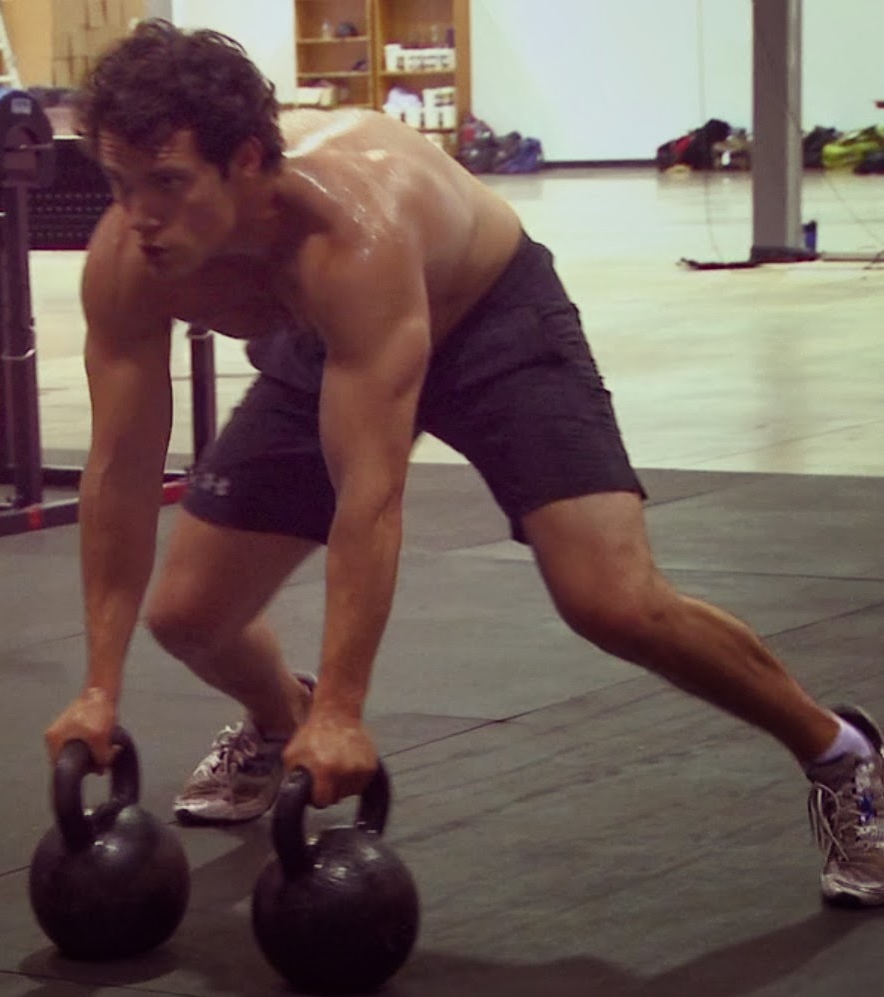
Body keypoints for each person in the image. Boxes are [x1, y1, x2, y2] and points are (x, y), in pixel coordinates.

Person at [44, 20, 884, 907]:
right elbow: (120, 473)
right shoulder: (129, 262)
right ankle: (279, 721)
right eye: (119, 182)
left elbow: (368, 495)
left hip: (489, 321)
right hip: (331, 337)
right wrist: (98, 688)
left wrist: (347, 709)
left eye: (168, 183)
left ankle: (840, 752)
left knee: (612, 599)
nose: (140, 215)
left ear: (246, 160)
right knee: (189, 615)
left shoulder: (347, 236)